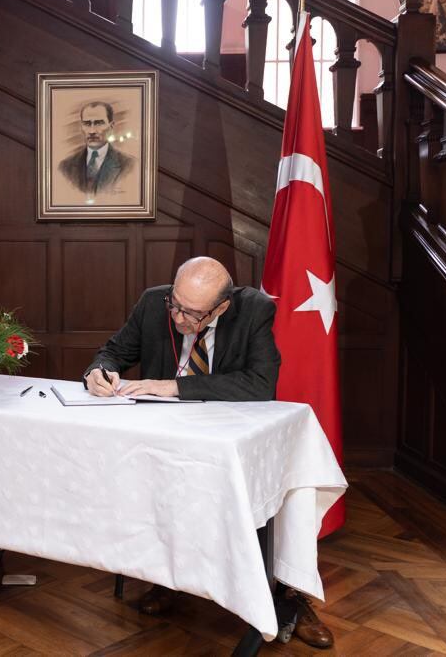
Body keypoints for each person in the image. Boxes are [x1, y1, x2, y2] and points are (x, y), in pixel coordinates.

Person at [83, 256, 334, 649]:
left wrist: (174, 387)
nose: (179, 318)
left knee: (276, 495)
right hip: (170, 438)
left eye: (192, 313)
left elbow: (260, 384)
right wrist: (98, 372)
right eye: (176, 305)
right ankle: (169, 577)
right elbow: (113, 351)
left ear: (221, 307)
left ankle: (287, 595)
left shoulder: (253, 309)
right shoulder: (154, 302)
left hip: (232, 435)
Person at [58, 101, 135, 196]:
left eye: (98, 123)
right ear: (81, 127)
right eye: (87, 124)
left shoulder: (129, 165)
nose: (92, 131)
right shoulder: (65, 167)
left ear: (111, 126)